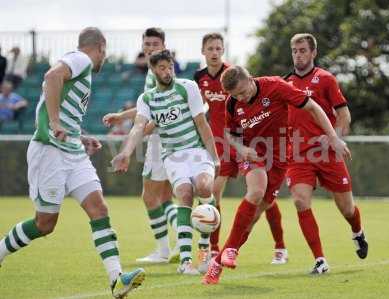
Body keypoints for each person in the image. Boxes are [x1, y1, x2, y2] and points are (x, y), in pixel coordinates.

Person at [0, 27, 145, 299]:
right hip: (50, 151)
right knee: (44, 224)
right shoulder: (81, 59)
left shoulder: (82, 69)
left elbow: (58, 102)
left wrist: (81, 137)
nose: (105, 58)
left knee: (99, 208)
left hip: (72, 150)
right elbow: (51, 76)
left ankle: (116, 279)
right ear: (100, 47)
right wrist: (55, 123)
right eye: (105, 52)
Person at [202, 65, 351, 284]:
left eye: (243, 92)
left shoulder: (276, 86)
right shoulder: (232, 103)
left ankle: (217, 265)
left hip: (280, 159)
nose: (241, 99)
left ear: (251, 80)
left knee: (252, 218)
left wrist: (334, 137)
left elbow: (314, 108)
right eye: (236, 95)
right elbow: (231, 135)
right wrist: (242, 150)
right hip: (252, 153)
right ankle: (230, 251)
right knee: (256, 190)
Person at [112, 49, 220, 275]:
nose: (167, 71)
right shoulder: (147, 99)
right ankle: (186, 262)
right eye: (161, 68)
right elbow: (139, 127)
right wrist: (125, 153)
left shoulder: (187, 87)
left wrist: (214, 154)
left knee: (203, 187)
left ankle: (204, 251)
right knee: (185, 194)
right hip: (173, 156)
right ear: (153, 70)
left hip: (197, 151)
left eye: (169, 66)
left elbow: (202, 123)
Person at [194, 33, 288, 267]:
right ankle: (214, 248)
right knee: (214, 196)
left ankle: (279, 246)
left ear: (223, 50)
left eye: (218, 48)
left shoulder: (232, 76)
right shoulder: (199, 78)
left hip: (246, 141)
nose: (214, 52)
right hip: (220, 144)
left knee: (263, 197)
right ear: (203, 51)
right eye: (210, 48)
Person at [284, 33, 368, 274]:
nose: (298, 54)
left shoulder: (326, 79)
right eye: (294, 50)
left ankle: (357, 232)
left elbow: (344, 115)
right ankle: (320, 260)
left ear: (313, 53)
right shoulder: (285, 83)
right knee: (300, 201)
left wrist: (336, 138)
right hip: (298, 154)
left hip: (327, 153)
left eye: (302, 50)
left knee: (347, 209)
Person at [103, 28, 179, 264]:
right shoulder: (155, 73)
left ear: (164, 46)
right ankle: (184, 240)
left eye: (155, 43)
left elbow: (156, 114)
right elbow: (146, 106)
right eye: (147, 43)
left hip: (161, 141)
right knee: (166, 197)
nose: (150, 47)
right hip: (171, 140)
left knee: (149, 196)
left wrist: (138, 132)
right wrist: (122, 116)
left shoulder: (160, 73)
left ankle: (166, 249)